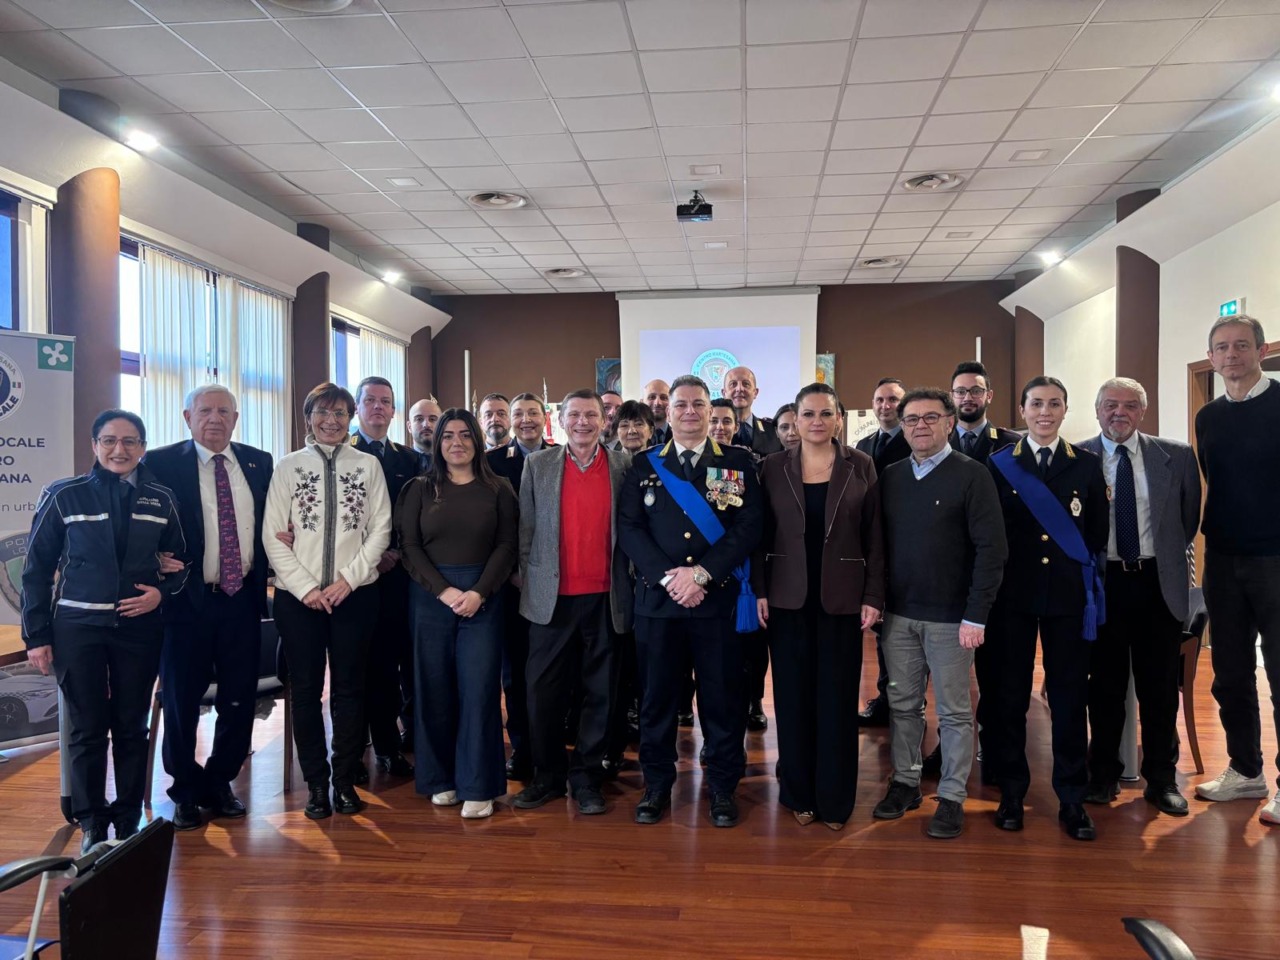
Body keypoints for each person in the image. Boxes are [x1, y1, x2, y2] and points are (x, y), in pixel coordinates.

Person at [22, 409, 187, 852]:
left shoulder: (161, 498)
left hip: (139, 629)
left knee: (132, 726)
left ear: (143, 448)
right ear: (94, 446)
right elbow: (35, 572)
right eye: (110, 440)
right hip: (78, 628)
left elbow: (179, 565)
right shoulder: (64, 495)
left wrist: (161, 593)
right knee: (87, 728)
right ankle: (92, 820)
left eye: (131, 441)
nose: (120, 450)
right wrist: (36, 636)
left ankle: (128, 816)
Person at [619, 374, 762, 827]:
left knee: (722, 700)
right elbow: (630, 529)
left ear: (710, 410)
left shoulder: (737, 462)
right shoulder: (644, 465)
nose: (688, 412)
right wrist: (671, 578)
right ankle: (657, 784)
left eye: (697, 404)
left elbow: (749, 527)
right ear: (668, 410)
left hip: (715, 602)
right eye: (680, 404)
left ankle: (722, 785)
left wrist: (701, 573)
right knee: (658, 700)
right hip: (659, 605)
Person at [872, 388, 1006, 839]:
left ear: (950, 422)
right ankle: (907, 782)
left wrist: (977, 615)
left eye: (931, 417)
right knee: (903, 706)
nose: (920, 426)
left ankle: (950, 795)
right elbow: (878, 548)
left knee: (953, 713)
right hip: (899, 617)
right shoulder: (889, 476)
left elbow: (992, 550)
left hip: (953, 619)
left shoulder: (973, 475)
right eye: (911, 419)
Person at [143, 385, 272, 832]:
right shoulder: (157, 464)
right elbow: (132, 522)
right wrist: (150, 557)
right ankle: (184, 790)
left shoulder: (259, 462)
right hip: (185, 604)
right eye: (205, 411)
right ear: (187, 416)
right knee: (181, 701)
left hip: (241, 601)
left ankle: (220, 781)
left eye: (224, 411)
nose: (214, 418)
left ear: (235, 418)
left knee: (239, 700)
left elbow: (273, 522)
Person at [985, 376, 1108, 840]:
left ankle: (1072, 798)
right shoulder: (998, 465)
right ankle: (1012, 792)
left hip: (1067, 599)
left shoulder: (1087, 465)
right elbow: (989, 532)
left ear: (1065, 410)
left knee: (1070, 698)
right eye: (1036, 403)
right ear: (1022, 409)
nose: (1044, 411)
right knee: (1009, 697)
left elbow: (1095, 532)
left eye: (1054, 404)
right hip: (1012, 597)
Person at [755, 382, 883, 830]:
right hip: (787, 598)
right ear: (794, 420)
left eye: (825, 414)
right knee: (791, 699)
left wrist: (873, 596)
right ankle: (798, 794)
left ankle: (835, 798)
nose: (816, 422)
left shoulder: (861, 464)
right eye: (807, 414)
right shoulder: (771, 467)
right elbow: (759, 536)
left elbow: (875, 538)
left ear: (839, 420)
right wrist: (759, 590)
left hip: (842, 599)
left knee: (836, 698)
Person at [263, 383, 391, 821]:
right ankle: (316, 783)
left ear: (351, 417)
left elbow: (380, 531)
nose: (331, 420)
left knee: (351, 689)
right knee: (305, 692)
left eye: (340, 412)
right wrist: (307, 589)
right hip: (299, 600)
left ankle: (344, 779)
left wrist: (346, 582)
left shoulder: (368, 466)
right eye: (323, 412)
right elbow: (272, 536)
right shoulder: (288, 467)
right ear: (308, 417)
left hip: (354, 596)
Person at [1078, 378, 1200, 817]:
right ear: (1096, 411)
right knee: (1105, 687)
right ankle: (1103, 775)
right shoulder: (1079, 456)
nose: (1119, 413)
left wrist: (1156, 560)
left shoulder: (1177, 456)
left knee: (1160, 689)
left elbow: (1187, 521)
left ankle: (1162, 780)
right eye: (1110, 405)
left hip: (1155, 584)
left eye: (1130, 405)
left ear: (1142, 412)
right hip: (1102, 585)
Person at [512, 391, 633, 816]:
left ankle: (586, 778)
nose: (583, 422)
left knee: (600, 694)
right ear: (559, 421)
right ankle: (547, 776)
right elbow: (524, 531)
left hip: (606, 597)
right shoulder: (537, 465)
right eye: (574, 415)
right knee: (541, 692)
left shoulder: (624, 466)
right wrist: (529, 580)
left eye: (591, 415)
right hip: (551, 601)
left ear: (605, 421)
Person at [397, 408, 517, 820]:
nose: (456, 443)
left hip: (483, 598)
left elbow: (507, 546)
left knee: (479, 690)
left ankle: (479, 785)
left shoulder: (499, 488)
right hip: (431, 598)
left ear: (478, 441)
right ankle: (440, 778)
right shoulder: (418, 489)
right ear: (437, 442)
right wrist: (445, 591)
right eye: (448, 436)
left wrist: (479, 592)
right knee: (433, 689)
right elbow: (409, 548)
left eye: (465, 435)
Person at [1194, 315, 1280, 825]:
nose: (1232, 355)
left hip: (1277, 559)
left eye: (1241, 345)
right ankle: (1246, 771)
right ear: (1211, 358)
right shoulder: (1209, 417)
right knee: (1230, 673)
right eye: (1222, 348)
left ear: (1262, 349)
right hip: (1223, 560)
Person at [350, 376, 420, 782]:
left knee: (388, 667)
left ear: (395, 412)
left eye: (386, 402)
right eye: (370, 401)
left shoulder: (409, 461)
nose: (378, 408)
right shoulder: (342, 454)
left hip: (396, 580)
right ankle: (352, 749)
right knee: (354, 667)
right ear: (358, 408)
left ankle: (390, 748)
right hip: (353, 578)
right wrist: (367, 559)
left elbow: (414, 519)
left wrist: (394, 554)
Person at [486, 391, 555, 781]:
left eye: (532, 413)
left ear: (544, 418)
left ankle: (552, 742)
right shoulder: (492, 462)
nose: (525, 420)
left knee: (551, 669)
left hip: (553, 582)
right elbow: (493, 524)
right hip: (510, 584)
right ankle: (522, 748)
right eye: (518, 414)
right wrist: (512, 570)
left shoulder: (560, 457)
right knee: (513, 672)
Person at [855, 377, 910, 727]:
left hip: (906, 548)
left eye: (892, 400)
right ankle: (886, 697)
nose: (885, 405)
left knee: (904, 637)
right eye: (879, 400)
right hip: (873, 548)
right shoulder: (862, 445)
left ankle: (905, 700)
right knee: (883, 631)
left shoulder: (913, 441)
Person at [949, 361, 1021, 463]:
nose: (968, 398)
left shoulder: (1011, 443)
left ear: (989, 396)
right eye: (960, 391)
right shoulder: (938, 442)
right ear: (952, 396)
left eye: (976, 391)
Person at [724, 366, 782, 455]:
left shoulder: (774, 430)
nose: (739, 389)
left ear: (755, 392)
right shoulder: (713, 432)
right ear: (724, 393)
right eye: (733, 384)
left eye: (746, 384)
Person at [409, 395, 442, 471]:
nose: (426, 425)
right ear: (409, 427)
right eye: (419, 419)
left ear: (442, 425)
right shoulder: (399, 462)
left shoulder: (451, 462)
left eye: (432, 419)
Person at [643, 379, 671, 446]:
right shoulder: (633, 438)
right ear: (642, 402)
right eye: (652, 397)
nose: (657, 403)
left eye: (664, 398)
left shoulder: (680, 439)